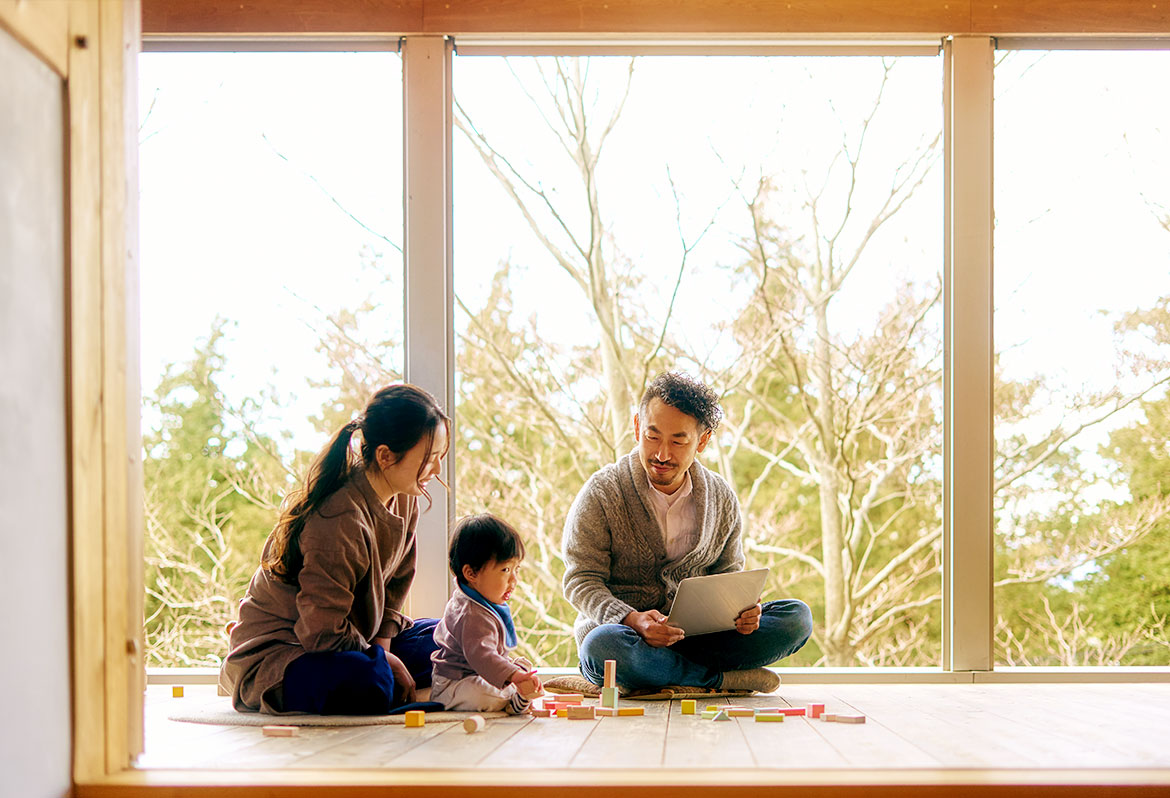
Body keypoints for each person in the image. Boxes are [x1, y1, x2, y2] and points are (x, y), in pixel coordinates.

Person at [562, 371, 813, 693]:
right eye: (652, 437)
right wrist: (630, 619)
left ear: (703, 441)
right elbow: (580, 580)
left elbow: (728, 575)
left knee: (796, 618)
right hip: (627, 639)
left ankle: (667, 676)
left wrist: (743, 612)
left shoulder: (721, 497)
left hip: (701, 640)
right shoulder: (602, 492)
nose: (662, 454)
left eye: (678, 441)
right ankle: (718, 681)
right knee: (602, 647)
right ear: (638, 427)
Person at [219, 384, 449, 715]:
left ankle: (395, 681)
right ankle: (398, 688)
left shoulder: (404, 498)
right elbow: (320, 633)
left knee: (448, 641)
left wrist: (383, 649)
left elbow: (396, 584)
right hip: (289, 650)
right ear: (385, 456)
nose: (437, 470)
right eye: (429, 459)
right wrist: (382, 661)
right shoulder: (338, 517)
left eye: (439, 457)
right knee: (368, 681)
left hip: (353, 640)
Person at [430, 514, 543, 714]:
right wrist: (514, 676)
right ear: (471, 574)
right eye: (505, 569)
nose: (514, 580)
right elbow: (483, 656)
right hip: (454, 684)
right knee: (484, 694)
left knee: (522, 666)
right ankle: (514, 699)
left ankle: (515, 694)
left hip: (477, 675)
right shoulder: (471, 613)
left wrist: (515, 671)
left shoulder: (482, 602)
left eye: (516, 569)